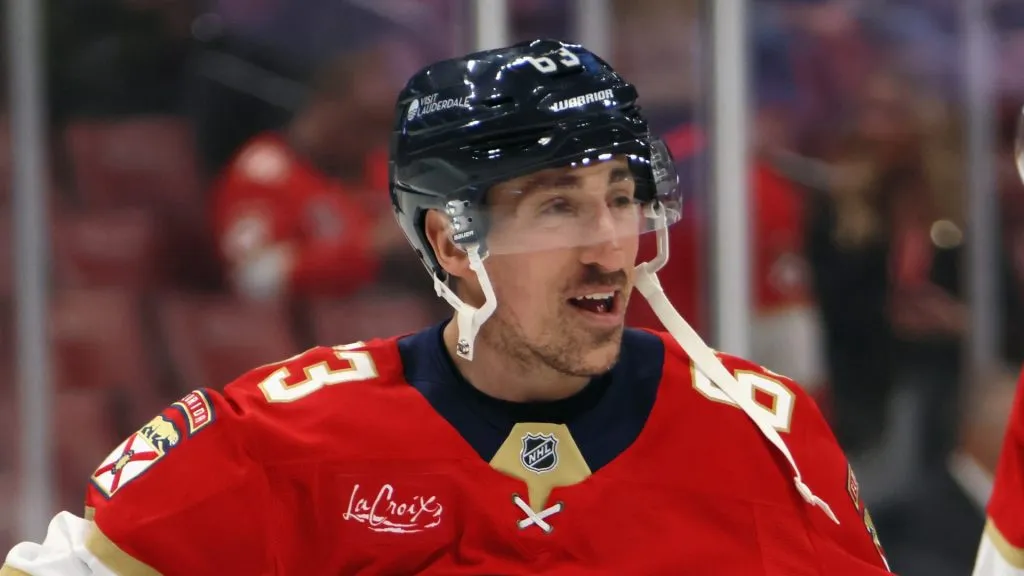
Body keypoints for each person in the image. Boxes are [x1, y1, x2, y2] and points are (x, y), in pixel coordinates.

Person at [2, 39, 892, 575]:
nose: (611, 243)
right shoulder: (282, 438)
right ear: (450, 241)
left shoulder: (763, 433)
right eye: (557, 205)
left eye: (621, 196)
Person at [210, 41, 409, 300]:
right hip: (307, 329)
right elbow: (250, 279)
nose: (377, 143)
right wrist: (371, 247)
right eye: (366, 125)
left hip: (386, 314)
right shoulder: (264, 176)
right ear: (327, 107)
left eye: (385, 130)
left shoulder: (374, 166)